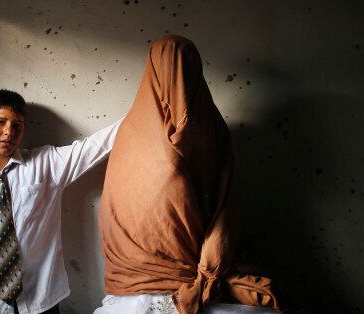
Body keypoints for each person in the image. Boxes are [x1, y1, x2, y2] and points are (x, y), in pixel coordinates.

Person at [95, 35, 281, 314]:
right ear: (155, 74)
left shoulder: (211, 131)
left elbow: (225, 206)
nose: (179, 82)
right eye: (170, 71)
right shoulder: (132, 134)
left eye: (187, 71)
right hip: (137, 281)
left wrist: (208, 271)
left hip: (201, 265)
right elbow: (120, 210)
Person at [0, 90, 121, 314]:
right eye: (0, 122)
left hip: (41, 303)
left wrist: (145, 108)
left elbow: (95, 146)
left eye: (17, 125)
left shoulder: (46, 164)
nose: (8, 132)